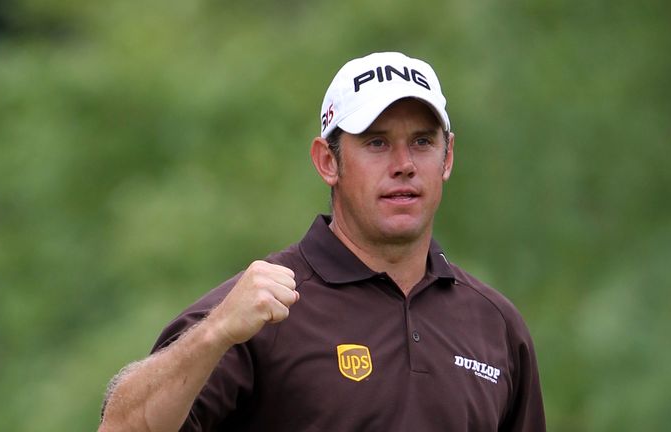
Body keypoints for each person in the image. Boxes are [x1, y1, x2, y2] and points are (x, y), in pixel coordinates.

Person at [99, 51, 546, 431]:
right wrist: (216, 332)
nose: (404, 164)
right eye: (376, 143)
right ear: (327, 162)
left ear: (447, 157)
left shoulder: (495, 326)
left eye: (422, 142)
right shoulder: (261, 309)